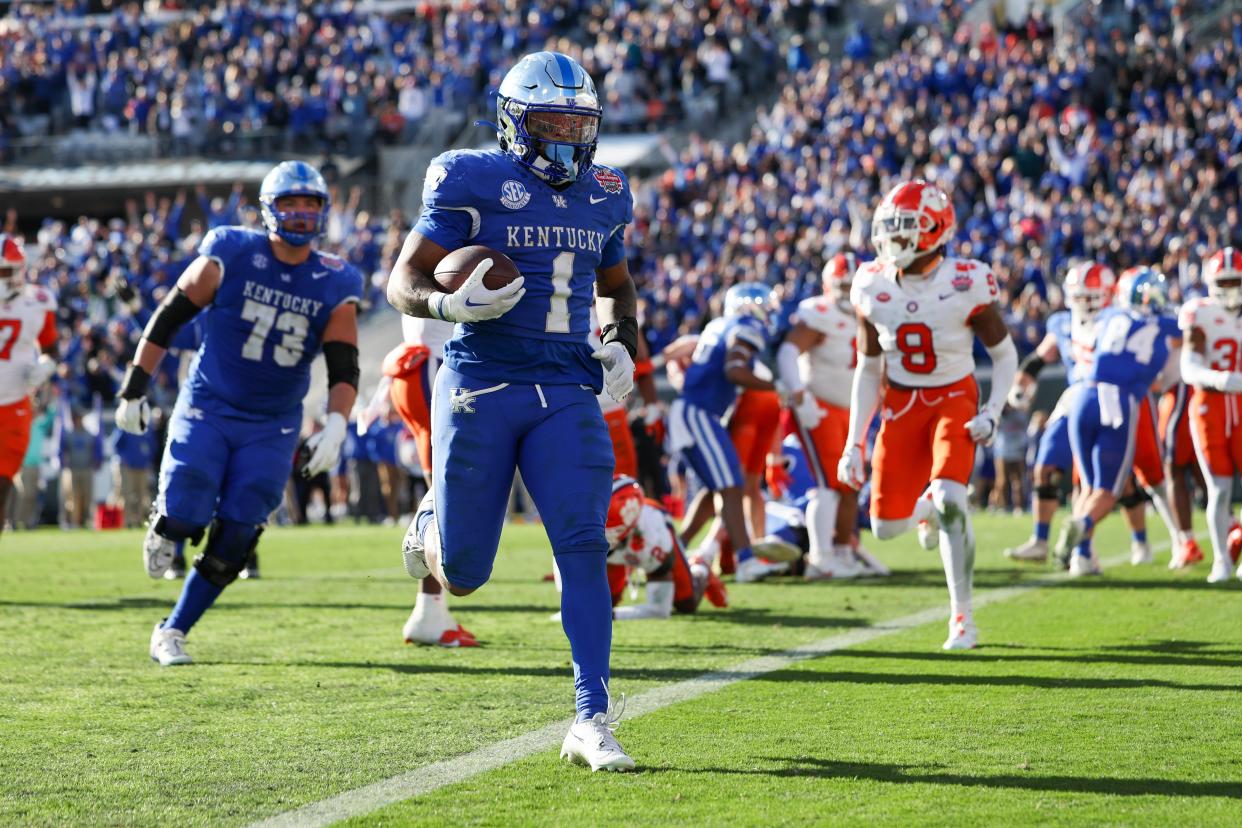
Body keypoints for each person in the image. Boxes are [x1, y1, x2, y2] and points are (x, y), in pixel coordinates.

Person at [385, 52, 638, 772]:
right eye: (550, 122)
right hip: (482, 381)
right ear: (513, 123)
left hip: (566, 386)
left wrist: (619, 342)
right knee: (464, 573)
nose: (566, 137)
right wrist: (444, 303)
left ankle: (592, 717)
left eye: (578, 123)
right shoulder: (471, 178)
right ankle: (431, 523)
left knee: (584, 545)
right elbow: (402, 277)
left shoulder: (606, 192)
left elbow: (618, 285)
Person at [116, 161, 362, 666]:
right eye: (290, 203)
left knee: (237, 538)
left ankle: (173, 629)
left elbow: (344, 364)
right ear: (269, 209)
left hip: (273, 423)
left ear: (324, 212)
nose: (299, 214)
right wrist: (133, 388)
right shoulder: (231, 250)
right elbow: (169, 318)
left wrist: (337, 424)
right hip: (210, 404)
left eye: (309, 204)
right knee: (186, 511)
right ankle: (165, 526)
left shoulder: (336, 279)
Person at [837, 180, 1018, 650]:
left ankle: (962, 618)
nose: (893, 241)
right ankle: (925, 513)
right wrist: (854, 442)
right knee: (884, 527)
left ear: (936, 230)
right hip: (900, 404)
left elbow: (1004, 356)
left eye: (905, 230)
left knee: (952, 499)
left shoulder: (966, 280)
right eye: (889, 230)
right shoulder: (870, 282)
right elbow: (868, 367)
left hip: (953, 398)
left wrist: (993, 412)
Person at [1056, 269, 1181, 576]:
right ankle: (1082, 524)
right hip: (1119, 402)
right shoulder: (1167, 324)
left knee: (1088, 484)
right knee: (1108, 490)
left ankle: (1083, 557)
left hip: (1083, 394)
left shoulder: (1110, 316)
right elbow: (1164, 378)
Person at [672, 283, 790, 583]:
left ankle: (673, 553)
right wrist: (776, 387)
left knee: (716, 489)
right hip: (699, 413)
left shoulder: (718, 325)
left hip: (694, 411)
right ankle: (746, 560)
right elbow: (734, 370)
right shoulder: (746, 326)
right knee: (731, 486)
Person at [380, 312, 477, 647]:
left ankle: (429, 610)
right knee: (453, 485)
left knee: (446, 481)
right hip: (434, 366)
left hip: (413, 367)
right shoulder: (445, 258)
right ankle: (429, 613)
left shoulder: (414, 261)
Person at [776, 251, 870, 579]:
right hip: (821, 407)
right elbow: (788, 352)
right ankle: (820, 557)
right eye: (841, 287)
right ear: (830, 286)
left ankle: (843, 552)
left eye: (851, 287)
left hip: (852, 410)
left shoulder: (869, 312)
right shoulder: (820, 312)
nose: (846, 294)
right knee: (829, 482)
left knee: (851, 482)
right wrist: (800, 396)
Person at [1177, 248, 1242, 582]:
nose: (1230, 288)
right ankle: (1221, 560)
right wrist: (1222, 379)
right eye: (1223, 281)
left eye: (1235, 281)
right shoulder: (1199, 312)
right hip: (1210, 404)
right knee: (1218, 488)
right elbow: (1188, 366)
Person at [0, 234, 58, 538]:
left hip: (13, 404)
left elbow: (51, 347)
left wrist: (45, 366)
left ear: (19, 270)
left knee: (3, 483)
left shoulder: (37, 302)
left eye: (4, 271)